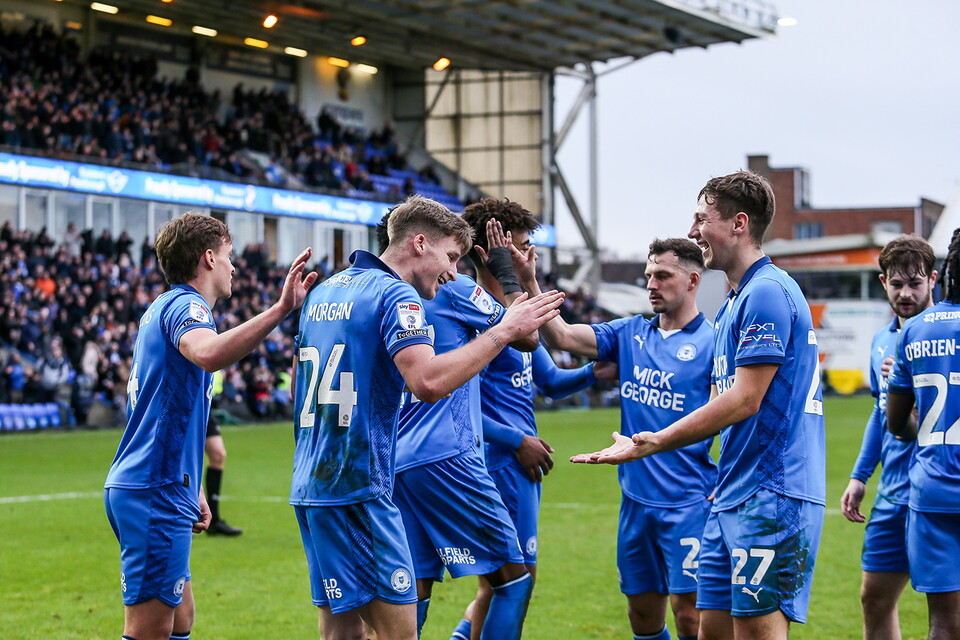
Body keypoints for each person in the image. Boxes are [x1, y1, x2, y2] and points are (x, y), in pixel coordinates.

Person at [290, 195, 563, 640]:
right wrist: (502, 331)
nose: (453, 271)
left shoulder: (327, 290)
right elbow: (428, 383)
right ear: (420, 243)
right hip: (366, 485)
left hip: (312, 484)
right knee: (410, 630)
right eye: (450, 257)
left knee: (342, 633)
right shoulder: (395, 291)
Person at [568, 171, 826, 640]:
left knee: (755, 633)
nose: (692, 231)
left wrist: (655, 442)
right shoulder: (733, 303)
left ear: (738, 224)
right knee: (710, 631)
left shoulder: (768, 292)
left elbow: (745, 399)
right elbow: (716, 402)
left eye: (701, 218)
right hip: (730, 492)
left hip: (771, 493)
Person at [104, 212, 318, 640]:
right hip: (154, 490)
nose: (234, 266)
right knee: (148, 630)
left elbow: (161, 409)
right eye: (228, 255)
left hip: (161, 484)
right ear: (207, 258)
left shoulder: (159, 308)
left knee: (180, 620)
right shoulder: (188, 307)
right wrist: (279, 310)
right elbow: (208, 353)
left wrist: (194, 484)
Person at [512, 233, 717, 640]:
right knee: (642, 615)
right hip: (636, 503)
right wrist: (530, 283)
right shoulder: (629, 334)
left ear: (693, 281)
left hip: (690, 501)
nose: (651, 284)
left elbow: (733, 415)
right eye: (648, 275)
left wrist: (729, 473)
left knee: (691, 616)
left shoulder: (713, 342)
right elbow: (564, 337)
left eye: (662, 275)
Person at [449, 199, 618, 640]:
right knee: (514, 579)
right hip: (495, 462)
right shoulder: (470, 310)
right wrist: (514, 439)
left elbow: (549, 380)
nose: (530, 257)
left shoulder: (517, 313)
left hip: (519, 465)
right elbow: (451, 401)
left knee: (499, 582)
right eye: (522, 247)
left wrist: (594, 372)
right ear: (490, 250)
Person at [387, 198, 552, 640]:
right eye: (512, 249)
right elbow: (530, 335)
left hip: (394, 461)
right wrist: (507, 274)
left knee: (413, 592)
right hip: (447, 457)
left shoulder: (391, 295)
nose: (521, 258)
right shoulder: (457, 288)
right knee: (513, 582)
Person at [840, 235, 936, 640]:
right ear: (883, 283)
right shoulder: (881, 342)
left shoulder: (948, 333)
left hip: (937, 488)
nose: (906, 293)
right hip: (893, 492)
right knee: (874, 598)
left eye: (915, 283)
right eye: (897, 284)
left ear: (933, 280)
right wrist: (860, 475)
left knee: (946, 610)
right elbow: (880, 413)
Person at [886, 227, 960, 640]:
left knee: (944, 625)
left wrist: (928, 434)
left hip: (932, 492)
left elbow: (896, 424)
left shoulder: (915, 330)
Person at [204, 412, 243, 536]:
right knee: (183, 457)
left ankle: (213, 519)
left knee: (218, 454)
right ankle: (181, 520)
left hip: (204, 405)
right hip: (182, 403)